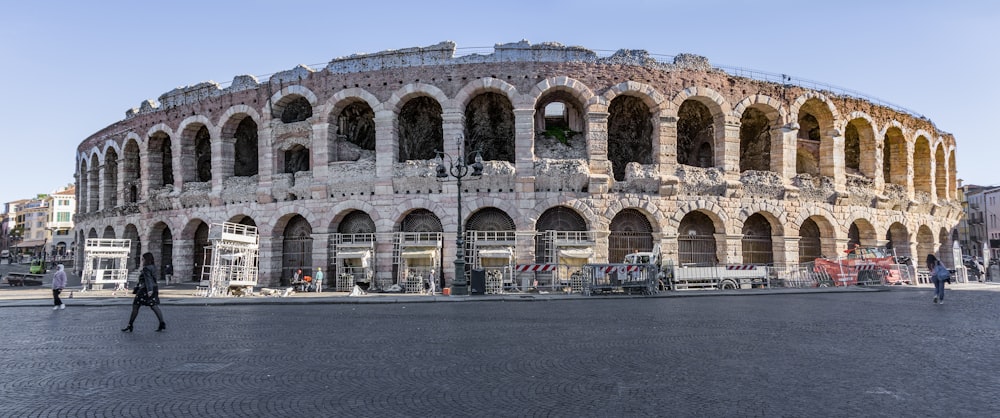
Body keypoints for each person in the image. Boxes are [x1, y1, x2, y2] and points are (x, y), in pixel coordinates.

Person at [122, 252, 166, 332]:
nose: (142, 260)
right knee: (154, 306)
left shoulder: (146, 268)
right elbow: (153, 279)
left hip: (145, 289)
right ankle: (162, 323)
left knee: (135, 306)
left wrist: (149, 290)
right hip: (154, 288)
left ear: (146, 259)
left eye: (143, 259)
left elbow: (148, 279)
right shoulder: (153, 267)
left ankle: (130, 325)